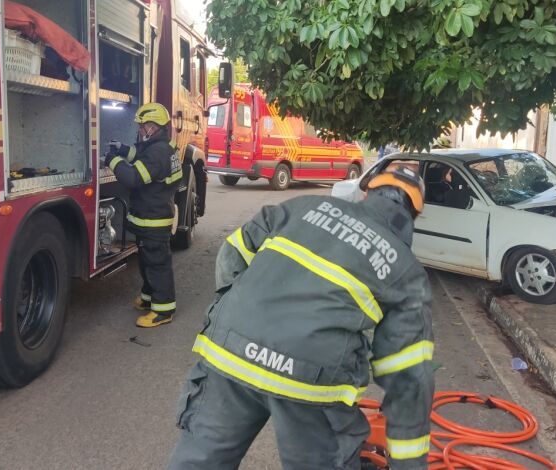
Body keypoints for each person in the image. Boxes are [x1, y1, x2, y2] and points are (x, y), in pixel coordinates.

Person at [167, 166, 435, 470]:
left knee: (199, 461)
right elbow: (409, 378)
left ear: (366, 191)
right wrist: (409, 464)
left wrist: (234, 315)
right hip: (310, 380)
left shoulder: (304, 206)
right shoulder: (407, 271)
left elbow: (232, 252)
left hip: (230, 350)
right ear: (414, 216)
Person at [104, 103, 182, 328]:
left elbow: (133, 178)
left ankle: (163, 310)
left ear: (153, 126)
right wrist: (123, 149)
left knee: (157, 265)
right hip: (151, 216)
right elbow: (141, 153)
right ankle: (149, 298)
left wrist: (113, 161)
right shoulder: (162, 146)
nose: (140, 130)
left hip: (154, 219)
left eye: (142, 126)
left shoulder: (158, 153)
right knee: (148, 262)